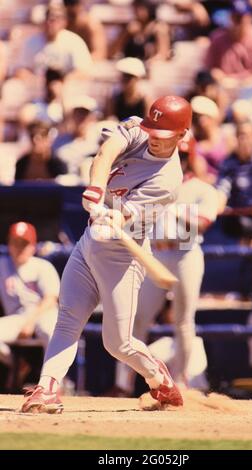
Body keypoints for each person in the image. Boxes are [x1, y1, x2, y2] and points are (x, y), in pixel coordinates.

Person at [20, 95, 192, 413]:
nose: (154, 140)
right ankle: (47, 389)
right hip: (90, 243)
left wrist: (112, 216)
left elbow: (123, 217)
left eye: (163, 137)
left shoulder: (168, 182)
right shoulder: (141, 127)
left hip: (122, 257)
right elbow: (106, 152)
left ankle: (159, 379)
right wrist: (97, 189)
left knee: (118, 343)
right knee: (68, 318)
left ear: (182, 136)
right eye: (152, 132)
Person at [113, 169, 218, 396]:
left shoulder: (200, 188)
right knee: (137, 318)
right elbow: (133, 223)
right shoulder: (152, 182)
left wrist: (173, 209)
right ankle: (124, 383)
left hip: (185, 252)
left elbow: (203, 223)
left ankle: (181, 381)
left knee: (183, 321)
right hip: (155, 252)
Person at [0, 222, 60, 366]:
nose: (19, 248)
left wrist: (30, 322)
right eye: (15, 242)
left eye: (24, 243)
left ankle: (54, 381)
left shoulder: (43, 266)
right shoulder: (2, 265)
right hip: (18, 318)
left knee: (51, 329)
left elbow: (51, 299)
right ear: (9, 244)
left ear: (33, 246)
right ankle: (18, 366)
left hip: (43, 315)